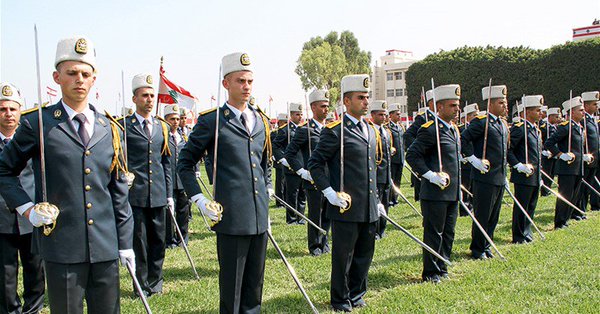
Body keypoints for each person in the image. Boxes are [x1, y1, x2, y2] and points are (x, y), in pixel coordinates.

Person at [0, 36, 134, 313]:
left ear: (94, 79)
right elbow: (4, 170)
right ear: (57, 77)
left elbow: (118, 191)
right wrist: (27, 210)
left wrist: (125, 242)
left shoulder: (109, 128)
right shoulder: (38, 123)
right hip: (62, 245)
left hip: (105, 245)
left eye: (86, 74)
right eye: (72, 73)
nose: (79, 80)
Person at [178, 52, 273, 313]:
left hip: (258, 216)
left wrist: (267, 193)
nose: (246, 87)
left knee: (255, 286)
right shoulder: (213, 121)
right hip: (230, 217)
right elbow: (185, 163)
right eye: (240, 81)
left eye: (250, 81)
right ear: (226, 84)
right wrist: (198, 198)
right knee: (232, 287)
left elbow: (264, 163)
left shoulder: (260, 120)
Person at [308, 74, 382, 312]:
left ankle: (357, 294)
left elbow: (372, 169)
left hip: (368, 205)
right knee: (343, 257)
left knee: (364, 254)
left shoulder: (371, 131)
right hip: (345, 205)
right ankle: (340, 299)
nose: (366, 101)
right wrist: (329, 192)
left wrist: (377, 201)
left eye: (367, 97)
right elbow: (315, 164)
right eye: (361, 97)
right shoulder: (335, 131)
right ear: (347, 101)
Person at [120, 73, 173, 297]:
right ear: (134, 99)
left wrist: (169, 193)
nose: (149, 100)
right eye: (144, 96)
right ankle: (141, 285)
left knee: (158, 240)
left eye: (152, 95)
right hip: (137, 194)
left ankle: (156, 281)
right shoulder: (124, 126)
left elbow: (166, 162)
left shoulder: (162, 127)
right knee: (139, 242)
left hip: (158, 193)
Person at [406, 84, 461, 283]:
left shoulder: (454, 130)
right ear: (439, 107)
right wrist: (430, 175)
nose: (457, 109)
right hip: (435, 193)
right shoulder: (430, 130)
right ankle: (431, 272)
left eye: (458, 105)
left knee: (449, 232)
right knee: (434, 233)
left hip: (452, 192)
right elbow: (412, 155)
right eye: (452, 105)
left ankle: (442, 266)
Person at [0, 83, 45, 314]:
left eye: (12, 109)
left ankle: (33, 311)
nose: (8, 114)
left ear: (20, 111)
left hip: (30, 216)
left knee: (35, 271)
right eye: (2, 109)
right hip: (1, 220)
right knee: (5, 276)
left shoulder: (33, 139)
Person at [461, 85, 509, 260]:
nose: (505, 105)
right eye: (500, 102)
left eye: (505, 102)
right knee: (482, 214)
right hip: (484, 176)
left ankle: (487, 244)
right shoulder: (481, 122)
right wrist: (473, 159)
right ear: (490, 104)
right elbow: (463, 139)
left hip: (499, 176)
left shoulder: (502, 124)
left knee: (494, 215)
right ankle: (478, 248)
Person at [284, 89, 331, 256]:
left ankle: (325, 243)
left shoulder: (331, 128)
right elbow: (290, 153)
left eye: (327, 106)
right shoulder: (305, 130)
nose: (326, 109)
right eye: (322, 106)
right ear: (313, 107)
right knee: (315, 213)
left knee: (327, 214)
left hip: (330, 178)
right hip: (313, 180)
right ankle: (315, 246)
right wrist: (301, 171)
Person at [544, 97, 585, 229]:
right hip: (567, 168)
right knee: (565, 196)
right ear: (572, 112)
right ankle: (560, 221)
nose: (583, 112)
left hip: (577, 167)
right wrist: (561, 155)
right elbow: (549, 143)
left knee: (574, 195)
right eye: (581, 110)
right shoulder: (565, 127)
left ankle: (566, 218)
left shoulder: (579, 127)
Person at [507, 95, 543, 243]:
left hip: (534, 175)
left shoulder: (535, 129)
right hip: (523, 175)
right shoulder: (520, 129)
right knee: (522, 207)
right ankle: (519, 235)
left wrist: (539, 176)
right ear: (527, 112)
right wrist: (518, 165)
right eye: (537, 110)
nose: (540, 113)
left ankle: (527, 232)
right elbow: (509, 151)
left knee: (531, 205)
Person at [273, 103, 306, 224]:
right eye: (297, 114)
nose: (300, 117)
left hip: (303, 166)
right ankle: (291, 219)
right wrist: (283, 160)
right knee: (292, 194)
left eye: (301, 114)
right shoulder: (285, 130)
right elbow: (275, 146)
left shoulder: (304, 129)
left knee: (302, 194)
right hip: (291, 167)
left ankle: (301, 218)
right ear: (291, 115)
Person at [164, 104, 191, 248]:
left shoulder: (183, 137)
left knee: (183, 210)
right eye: (171, 119)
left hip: (181, 180)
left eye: (177, 119)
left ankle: (183, 238)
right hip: (167, 180)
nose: (175, 122)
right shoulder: (163, 137)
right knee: (169, 212)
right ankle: (170, 240)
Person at [404, 91, 434, 201]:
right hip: (425, 158)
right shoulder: (423, 118)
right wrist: (419, 148)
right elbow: (408, 135)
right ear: (431, 103)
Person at [370, 100, 392, 239]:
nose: (383, 118)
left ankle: (381, 229)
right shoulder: (370, 130)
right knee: (375, 205)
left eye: (385, 115)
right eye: (380, 115)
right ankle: (374, 231)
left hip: (386, 174)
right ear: (372, 115)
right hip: (376, 174)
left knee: (385, 204)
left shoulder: (386, 132)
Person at [580, 91, 599, 214]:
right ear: (586, 106)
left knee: (594, 182)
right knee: (585, 184)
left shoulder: (593, 120)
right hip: (588, 156)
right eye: (594, 104)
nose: (597, 106)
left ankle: (595, 203)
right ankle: (581, 207)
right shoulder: (583, 120)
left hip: (596, 157)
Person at [458, 103, 479, 215]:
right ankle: (464, 208)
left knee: (473, 186)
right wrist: (461, 156)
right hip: (465, 162)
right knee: (465, 186)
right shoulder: (460, 129)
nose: (476, 117)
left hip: (475, 161)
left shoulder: (478, 128)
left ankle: (472, 205)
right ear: (467, 117)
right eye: (474, 115)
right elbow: (459, 144)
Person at [539, 107, 560, 196]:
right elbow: (540, 140)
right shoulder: (544, 127)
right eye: (556, 117)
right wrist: (543, 150)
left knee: (551, 173)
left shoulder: (555, 127)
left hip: (553, 154)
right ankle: (544, 191)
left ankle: (548, 188)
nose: (558, 119)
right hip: (546, 154)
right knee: (546, 173)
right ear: (550, 117)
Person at [387, 103, 405, 206]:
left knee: (398, 180)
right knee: (392, 180)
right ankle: (390, 199)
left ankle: (395, 198)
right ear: (391, 115)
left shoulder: (401, 127)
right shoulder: (388, 127)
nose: (399, 116)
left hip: (400, 158)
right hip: (393, 159)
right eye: (397, 114)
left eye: (399, 114)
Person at [272, 113, 288, 207]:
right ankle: (279, 201)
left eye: (287, 122)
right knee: (280, 182)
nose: (285, 124)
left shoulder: (287, 131)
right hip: (279, 160)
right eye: (283, 122)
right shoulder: (275, 133)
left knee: (286, 182)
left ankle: (285, 200)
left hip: (288, 160)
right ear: (279, 122)